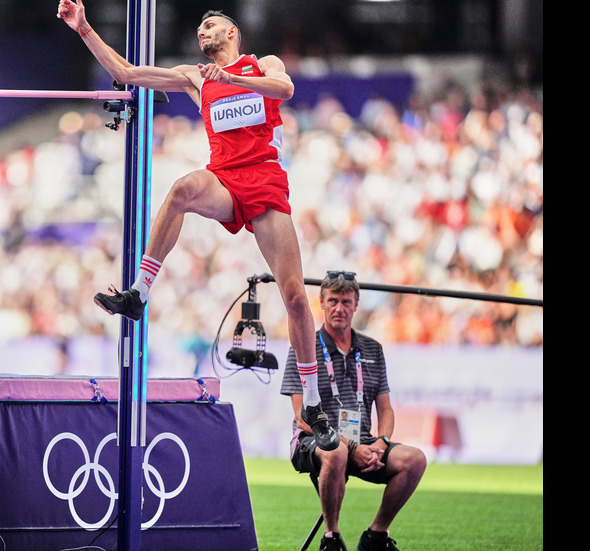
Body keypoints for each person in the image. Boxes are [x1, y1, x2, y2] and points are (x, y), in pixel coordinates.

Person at [56, 0, 339, 451]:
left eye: (210, 26)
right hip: (224, 179)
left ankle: (312, 403)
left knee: (294, 299)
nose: (201, 32)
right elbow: (128, 73)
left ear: (232, 33)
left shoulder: (260, 63)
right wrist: (84, 28)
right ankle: (139, 293)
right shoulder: (194, 75)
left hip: (265, 181)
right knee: (183, 189)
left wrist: (232, 78)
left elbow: (283, 89)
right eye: (200, 28)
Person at [281, 271, 427, 551]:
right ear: (321, 303)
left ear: (356, 305)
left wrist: (382, 442)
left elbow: (385, 408)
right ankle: (331, 538)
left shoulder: (373, 348)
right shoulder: (302, 347)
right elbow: (302, 417)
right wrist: (351, 446)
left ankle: (375, 536)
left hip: (364, 441)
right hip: (312, 442)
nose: (339, 308)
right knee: (335, 451)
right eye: (333, 301)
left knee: (415, 459)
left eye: (346, 302)